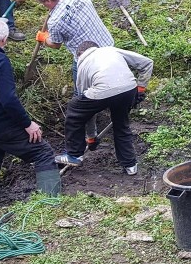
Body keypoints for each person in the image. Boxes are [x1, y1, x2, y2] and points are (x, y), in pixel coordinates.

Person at [0, 19, 60, 206]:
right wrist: (27, 124)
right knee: (43, 152)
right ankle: (50, 206)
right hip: (2, 125)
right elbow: (9, 100)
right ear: (4, 40)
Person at [33, 0, 114, 152]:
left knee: (82, 101)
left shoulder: (54, 21)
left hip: (87, 61)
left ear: (47, 1)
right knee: (112, 83)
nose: (42, 6)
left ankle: (90, 138)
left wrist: (43, 38)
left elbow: (55, 44)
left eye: (42, 3)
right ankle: (117, 110)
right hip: (109, 48)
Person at [55, 41, 153, 175]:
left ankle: (74, 155)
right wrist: (140, 88)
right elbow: (147, 62)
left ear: (80, 55)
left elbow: (87, 113)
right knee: (121, 124)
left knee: (74, 109)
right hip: (129, 89)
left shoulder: (83, 65)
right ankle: (130, 165)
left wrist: (91, 137)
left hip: (103, 91)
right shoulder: (111, 50)